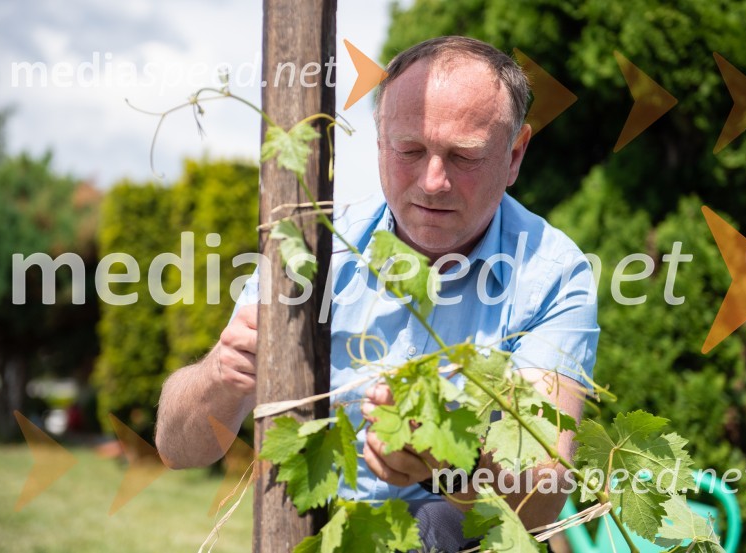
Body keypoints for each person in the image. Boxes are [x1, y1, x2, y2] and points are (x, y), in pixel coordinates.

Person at [155, 35, 599, 551]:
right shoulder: (309, 251)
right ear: (380, 141)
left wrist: (445, 464)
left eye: (464, 156)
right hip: (309, 535)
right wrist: (218, 377)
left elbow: (542, 495)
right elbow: (176, 448)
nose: (434, 181)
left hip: (467, 541)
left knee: (434, 527)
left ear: (515, 154)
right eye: (410, 150)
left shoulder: (554, 273)